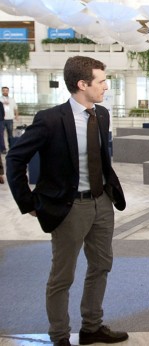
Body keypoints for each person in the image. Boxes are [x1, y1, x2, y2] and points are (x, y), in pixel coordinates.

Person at [5, 56, 128, 346]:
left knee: (101, 266)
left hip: (101, 203)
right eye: (101, 81)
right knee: (62, 276)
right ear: (82, 84)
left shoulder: (102, 114)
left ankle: (92, 327)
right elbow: (15, 158)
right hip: (69, 207)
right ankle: (59, 335)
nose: (106, 87)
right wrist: (29, 202)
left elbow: (101, 158)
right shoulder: (49, 119)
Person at [1, 86, 19, 153]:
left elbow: (16, 108)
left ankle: (11, 147)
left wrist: (17, 115)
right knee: (1, 135)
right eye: (4, 90)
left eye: (6, 90)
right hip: (2, 119)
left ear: (8, 91)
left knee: (10, 134)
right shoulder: (0, 99)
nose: (5, 92)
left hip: (10, 119)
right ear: (2, 91)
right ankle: (3, 149)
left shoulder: (12, 99)